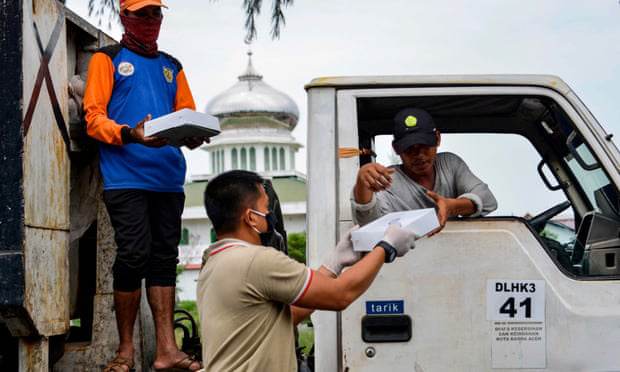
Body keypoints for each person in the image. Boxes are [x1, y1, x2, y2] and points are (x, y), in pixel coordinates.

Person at [83, 1, 205, 371]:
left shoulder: (172, 66)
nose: (150, 21)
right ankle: (126, 350)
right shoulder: (106, 60)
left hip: (168, 176)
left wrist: (194, 134)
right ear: (124, 17)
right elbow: (93, 119)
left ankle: (167, 350)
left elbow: (186, 112)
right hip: (126, 177)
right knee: (133, 255)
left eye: (155, 14)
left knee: (164, 260)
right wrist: (129, 134)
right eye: (141, 14)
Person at [197, 170, 417, 371]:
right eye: (266, 209)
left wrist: (333, 265)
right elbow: (340, 295)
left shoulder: (214, 262)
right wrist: (386, 246)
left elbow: (287, 315)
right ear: (251, 217)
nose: (270, 216)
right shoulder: (256, 260)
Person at [352, 107, 497, 234]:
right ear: (396, 149)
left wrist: (451, 206)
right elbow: (369, 224)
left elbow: (488, 200)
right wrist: (362, 185)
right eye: (409, 148)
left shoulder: (449, 164)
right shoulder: (387, 180)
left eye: (424, 145)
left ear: (437, 139)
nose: (419, 155)